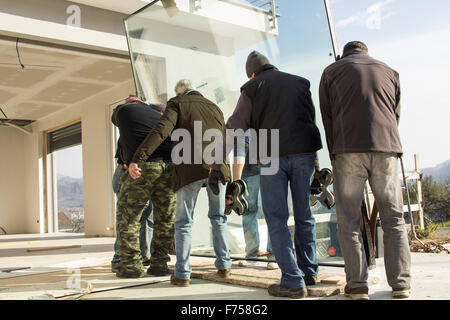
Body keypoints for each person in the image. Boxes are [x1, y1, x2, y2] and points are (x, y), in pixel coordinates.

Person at [209, 51, 323, 299]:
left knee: (277, 218)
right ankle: (309, 271)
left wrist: (217, 165)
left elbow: (234, 126)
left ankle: (293, 281)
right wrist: (315, 164)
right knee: (304, 215)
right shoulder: (300, 82)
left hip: (272, 157)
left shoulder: (252, 87)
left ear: (251, 72)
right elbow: (310, 122)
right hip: (304, 154)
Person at [319, 41, 411, 300]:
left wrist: (335, 153)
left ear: (344, 54)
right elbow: (395, 115)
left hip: (348, 149)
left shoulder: (330, 72)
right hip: (386, 148)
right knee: (394, 219)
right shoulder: (390, 72)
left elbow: (328, 118)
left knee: (348, 220)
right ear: (365, 52)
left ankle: (358, 286)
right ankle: (401, 285)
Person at [128, 80, 233, 287]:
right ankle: (224, 266)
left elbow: (161, 131)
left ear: (180, 93)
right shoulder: (215, 107)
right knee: (218, 216)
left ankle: (183, 274)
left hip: (189, 169)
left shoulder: (177, 103)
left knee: (184, 222)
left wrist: (138, 157)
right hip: (217, 168)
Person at [113, 95, 176, 278]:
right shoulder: (159, 115)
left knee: (129, 217)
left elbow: (115, 119)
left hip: (142, 167)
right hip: (169, 167)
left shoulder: (122, 111)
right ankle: (159, 266)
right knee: (165, 219)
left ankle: (132, 268)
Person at [233, 134, 278, 270]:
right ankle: (274, 256)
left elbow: (239, 153)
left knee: (249, 212)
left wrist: (235, 183)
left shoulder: (244, 126)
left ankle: (253, 255)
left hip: (254, 173)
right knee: (272, 212)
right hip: (271, 171)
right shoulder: (269, 119)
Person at [110, 138, 154, 273]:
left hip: (141, 174)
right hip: (127, 173)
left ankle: (143, 256)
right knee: (129, 220)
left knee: (146, 219)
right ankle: (119, 259)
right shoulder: (134, 130)